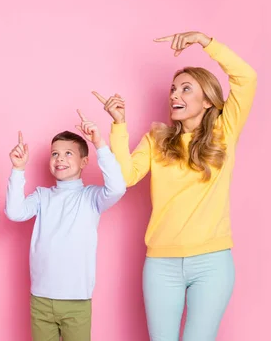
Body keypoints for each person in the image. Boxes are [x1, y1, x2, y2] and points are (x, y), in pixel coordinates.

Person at [93, 31, 257, 341]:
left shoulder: (225, 129)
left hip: (212, 263)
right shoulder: (156, 139)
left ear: (208, 100)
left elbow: (246, 78)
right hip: (161, 264)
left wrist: (205, 41)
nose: (174, 96)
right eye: (172, 89)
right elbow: (125, 176)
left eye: (185, 89)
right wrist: (118, 125)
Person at [4, 114, 126, 341]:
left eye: (68, 153)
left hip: (77, 301)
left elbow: (118, 188)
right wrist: (18, 169)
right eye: (54, 154)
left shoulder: (92, 197)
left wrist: (99, 143)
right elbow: (14, 211)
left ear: (84, 162)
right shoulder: (42, 196)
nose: (60, 159)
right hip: (40, 299)